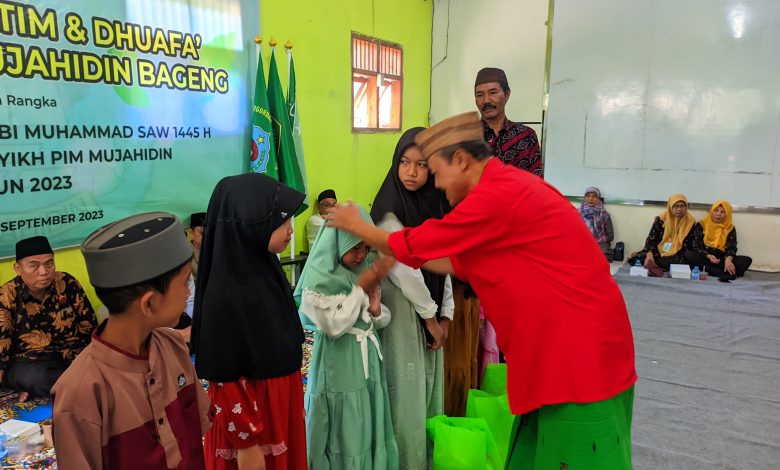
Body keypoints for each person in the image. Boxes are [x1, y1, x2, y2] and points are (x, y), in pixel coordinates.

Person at [325, 111, 637, 469]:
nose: (436, 184)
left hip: (580, 359)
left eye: (436, 171)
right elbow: (456, 259)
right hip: (555, 355)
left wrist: (356, 225)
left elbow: (420, 243)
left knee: (577, 457)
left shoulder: (496, 196)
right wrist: (386, 263)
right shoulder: (507, 187)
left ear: (460, 160)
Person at [51, 212, 211, 468]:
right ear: (149, 303)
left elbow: (199, 433)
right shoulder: (81, 393)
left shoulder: (172, 347)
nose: (189, 292)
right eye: (184, 283)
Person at [192, 173, 308, 470]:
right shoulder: (226, 291)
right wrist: (246, 441)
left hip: (278, 403)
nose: (291, 231)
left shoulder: (264, 268)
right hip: (253, 419)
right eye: (281, 222)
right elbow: (225, 376)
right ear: (250, 222)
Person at [370, 127, 454, 467]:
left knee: (427, 391)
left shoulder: (435, 201)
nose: (411, 172)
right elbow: (405, 270)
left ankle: (426, 458)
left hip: (429, 308)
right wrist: (432, 318)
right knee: (406, 395)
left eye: (421, 165)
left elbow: (443, 259)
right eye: (404, 162)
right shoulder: (389, 207)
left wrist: (445, 314)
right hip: (403, 308)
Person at [294, 208, 398, 469]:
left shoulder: (361, 270)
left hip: (366, 361)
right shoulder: (318, 281)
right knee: (347, 424)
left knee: (366, 417)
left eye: (366, 248)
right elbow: (333, 324)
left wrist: (376, 309)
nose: (362, 255)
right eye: (355, 248)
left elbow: (374, 318)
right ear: (338, 242)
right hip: (339, 364)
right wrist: (361, 286)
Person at [0, 236, 97, 402]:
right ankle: (81, 391)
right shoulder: (6, 297)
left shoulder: (67, 283)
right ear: (18, 268)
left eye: (49, 263)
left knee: (103, 366)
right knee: (38, 377)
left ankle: (82, 386)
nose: (44, 271)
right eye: (34, 266)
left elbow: (89, 326)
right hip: (31, 363)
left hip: (72, 355)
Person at [475, 67, 543, 177]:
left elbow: (536, 183)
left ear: (506, 94)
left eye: (493, 92)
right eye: (480, 95)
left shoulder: (526, 136)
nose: (486, 100)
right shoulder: (468, 138)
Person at [630, 194, 698, 271]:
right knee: (638, 259)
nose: (679, 209)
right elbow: (651, 239)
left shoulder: (690, 221)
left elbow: (689, 244)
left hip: (678, 253)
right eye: (676, 206)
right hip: (658, 250)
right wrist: (649, 254)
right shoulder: (661, 219)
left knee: (679, 261)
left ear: (686, 207)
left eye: (682, 206)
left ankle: (658, 265)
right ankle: (656, 264)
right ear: (670, 206)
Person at [688, 200, 752, 281]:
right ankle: (721, 272)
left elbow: (732, 247)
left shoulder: (730, 227)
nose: (718, 214)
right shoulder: (701, 224)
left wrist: (728, 261)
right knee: (688, 254)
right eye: (716, 210)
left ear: (727, 214)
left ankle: (711, 270)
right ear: (711, 211)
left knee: (746, 260)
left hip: (722, 258)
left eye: (722, 212)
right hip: (706, 256)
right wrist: (709, 256)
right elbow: (696, 245)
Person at [579, 186, 615, 259]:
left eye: (594, 196)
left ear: (598, 199)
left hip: (599, 244)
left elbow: (610, 236)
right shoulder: (577, 213)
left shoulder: (605, 215)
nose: (590, 199)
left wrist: (595, 240)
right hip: (582, 242)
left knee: (601, 254)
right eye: (588, 196)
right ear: (584, 198)